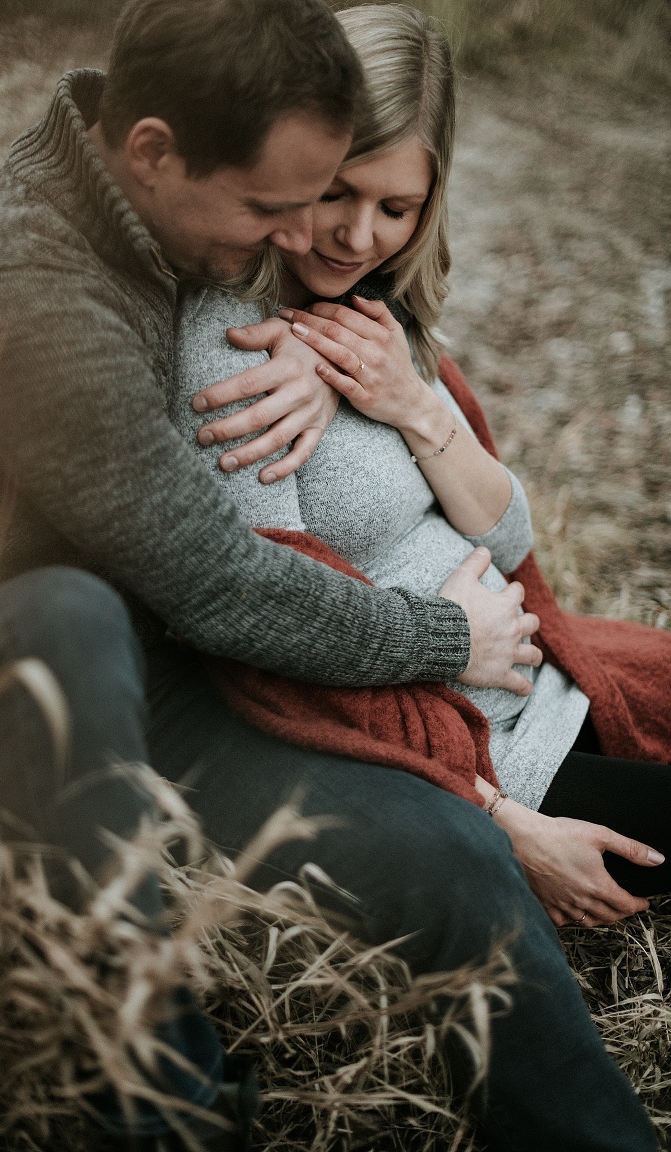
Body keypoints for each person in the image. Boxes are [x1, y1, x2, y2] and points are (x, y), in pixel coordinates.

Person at [0, 0, 657, 1149]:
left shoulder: (169, 207)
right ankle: (168, 1112)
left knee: (453, 857)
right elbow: (220, 584)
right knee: (72, 614)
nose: (305, 236)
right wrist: (444, 637)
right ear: (152, 152)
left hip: (173, 650)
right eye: (272, 211)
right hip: (56, 674)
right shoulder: (37, 290)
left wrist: (322, 348)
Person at [163, 3, 671, 1147]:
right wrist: (499, 815)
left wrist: (413, 404)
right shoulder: (231, 345)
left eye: (397, 207)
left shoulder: (374, 315)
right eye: (337, 192)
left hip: (547, 688)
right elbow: (270, 628)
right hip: (478, 750)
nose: (357, 234)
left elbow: (510, 535)